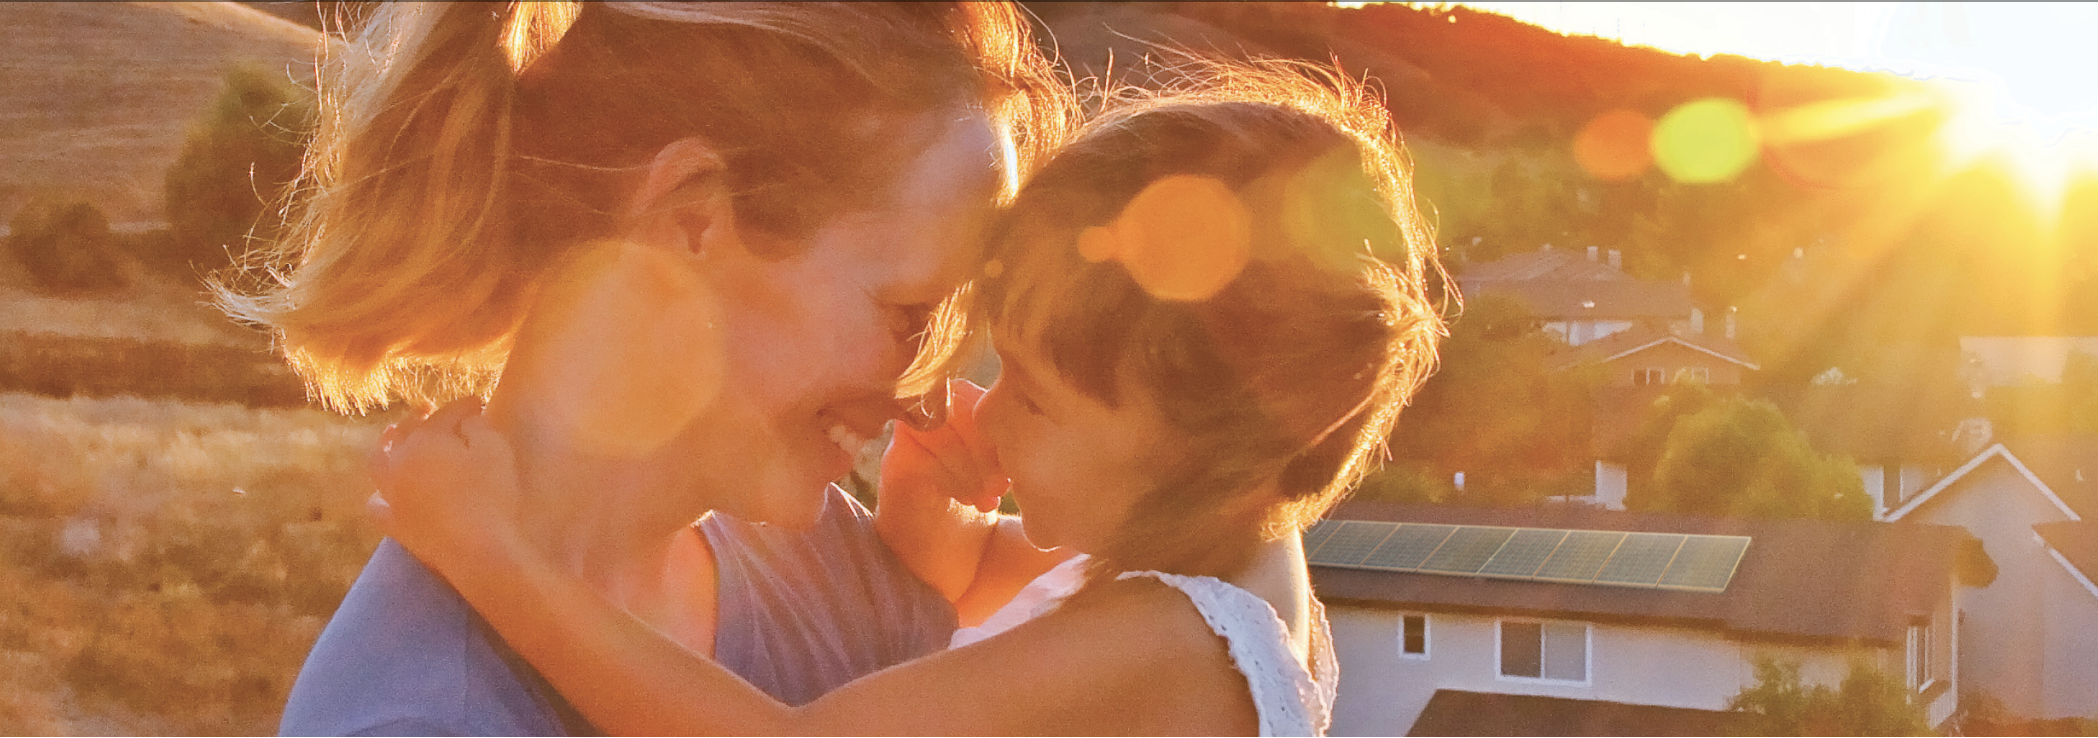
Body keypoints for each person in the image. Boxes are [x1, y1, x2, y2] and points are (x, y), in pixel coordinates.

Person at [372, 63, 1446, 736]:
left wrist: (493, 560)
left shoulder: (1165, 642)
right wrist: (947, 546)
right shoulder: (1237, 594)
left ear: (1231, 441)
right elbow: (1013, 638)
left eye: (1037, 396)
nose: (975, 402)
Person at [217, 3, 1071, 734]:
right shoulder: (419, 717)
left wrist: (941, 583)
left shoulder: (839, 574)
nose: (927, 398)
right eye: (907, 315)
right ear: (692, 218)